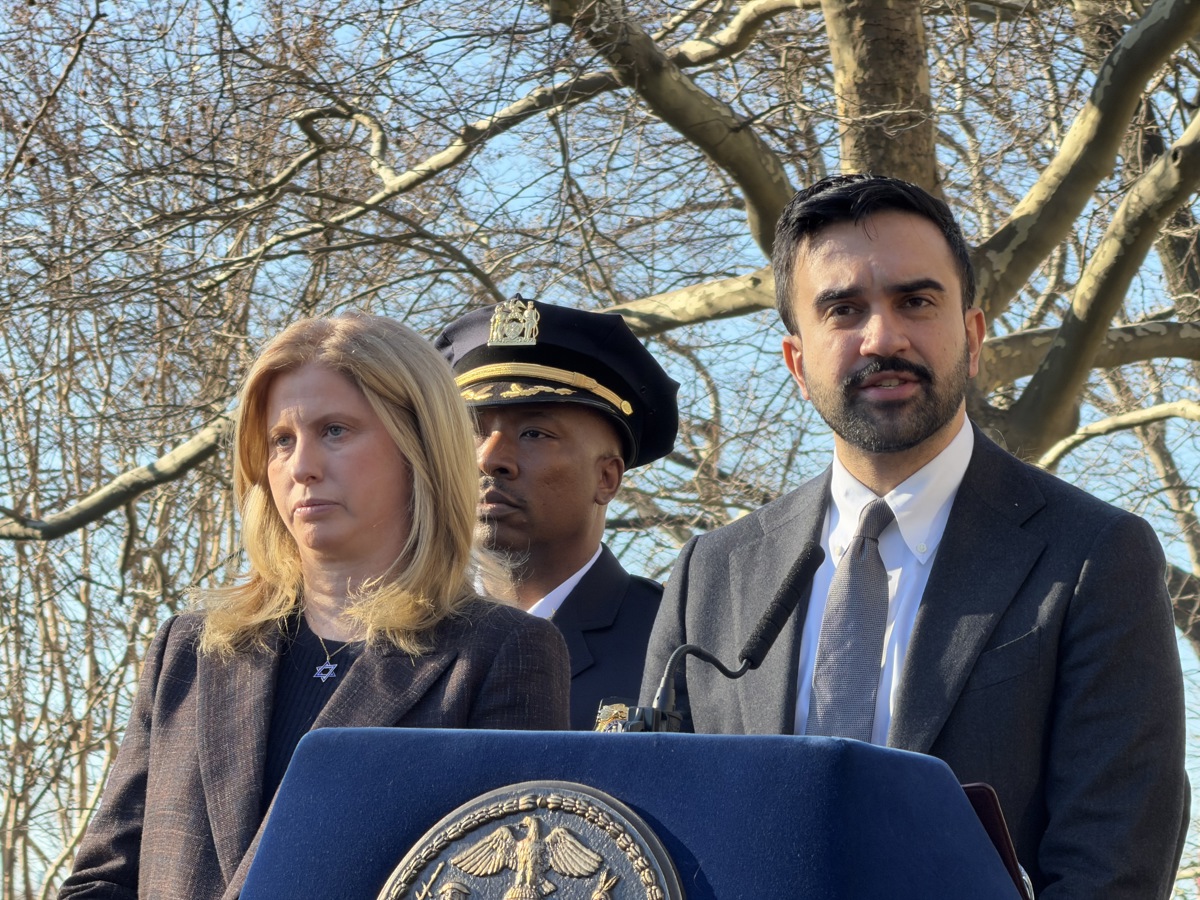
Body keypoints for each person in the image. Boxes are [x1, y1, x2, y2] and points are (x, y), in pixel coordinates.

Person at [640, 174, 1188, 899]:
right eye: (843, 309)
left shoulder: (1093, 555)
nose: (883, 337)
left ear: (972, 334)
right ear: (797, 364)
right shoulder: (712, 574)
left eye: (916, 301)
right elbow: (652, 836)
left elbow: (1113, 864)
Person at [59, 313, 571, 900]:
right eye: (281, 440)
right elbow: (101, 881)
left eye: (335, 430)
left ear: (420, 447)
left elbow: (507, 882)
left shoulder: (500, 650)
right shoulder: (189, 650)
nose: (301, 466)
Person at [436, 297, 679, 730]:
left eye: (533, 433)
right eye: (472, 432)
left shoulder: (673, 644)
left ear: (607, 478)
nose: (489, 460)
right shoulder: (401, 635)